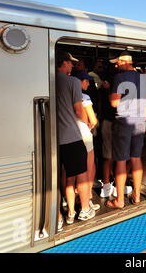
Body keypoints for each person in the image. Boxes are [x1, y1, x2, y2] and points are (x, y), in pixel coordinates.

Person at [105, 52, 146, 209]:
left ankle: (120, 201)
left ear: (125, 62)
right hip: (140, 122)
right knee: (136, 158)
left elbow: (114, 103)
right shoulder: (143, 77)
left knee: (121, 160)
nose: (116, 65)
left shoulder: (119, 77)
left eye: (117, 62)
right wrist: (144, 119)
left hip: (124, 122)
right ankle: (137, 196)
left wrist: (110, 92)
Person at [56, 51, 96, 225]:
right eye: (71, 63)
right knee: (81, 176)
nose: (72, 66)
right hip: (71, 137)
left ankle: (68, 212)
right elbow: (79, 110)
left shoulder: (47, 79)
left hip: (53, 138)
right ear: (64, 63)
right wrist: (86, 123)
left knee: (65, 177)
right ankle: (84, 210)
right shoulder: (72, 82)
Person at [72, 70, 101, 212]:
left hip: (70, 136)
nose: (88, 83)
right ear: (79, 82)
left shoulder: (65, 95)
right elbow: (93, 120)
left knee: (72, 171)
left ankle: (72, 202)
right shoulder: (84, 97)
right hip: (84, 134)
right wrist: (90, 123)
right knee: (89, 167)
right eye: (86, 81)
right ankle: (87, 198)